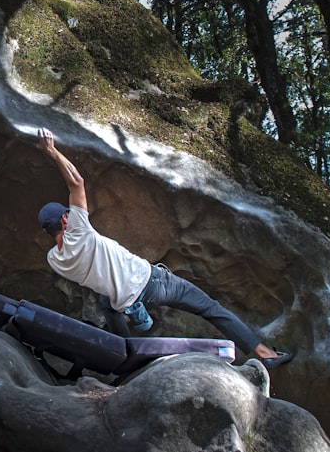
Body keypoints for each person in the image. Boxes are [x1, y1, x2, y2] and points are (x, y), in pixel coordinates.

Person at [34, 127, 294, 369]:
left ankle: (125, 356)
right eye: (69, 213)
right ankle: (263, 353)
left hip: (119, 298)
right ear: (66, 220)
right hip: (152, 284)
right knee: (210, 308)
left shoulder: (54, 260)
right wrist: (52, 151)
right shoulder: (79, 231)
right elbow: (76, 182)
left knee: (107, 302)